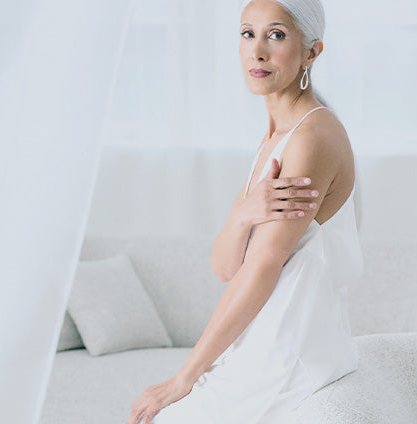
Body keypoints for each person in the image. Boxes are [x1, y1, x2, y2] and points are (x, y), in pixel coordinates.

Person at [126, 0, 362, 422]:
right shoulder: (276, 136)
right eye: (247, 33)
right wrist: (243, 214)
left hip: (291, 350)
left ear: (311, 51)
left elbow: (261, 267)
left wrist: (184, 378)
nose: (257, 51)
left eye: (276, 35)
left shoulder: (311, 138)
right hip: (262, 338)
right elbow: (224, 267)